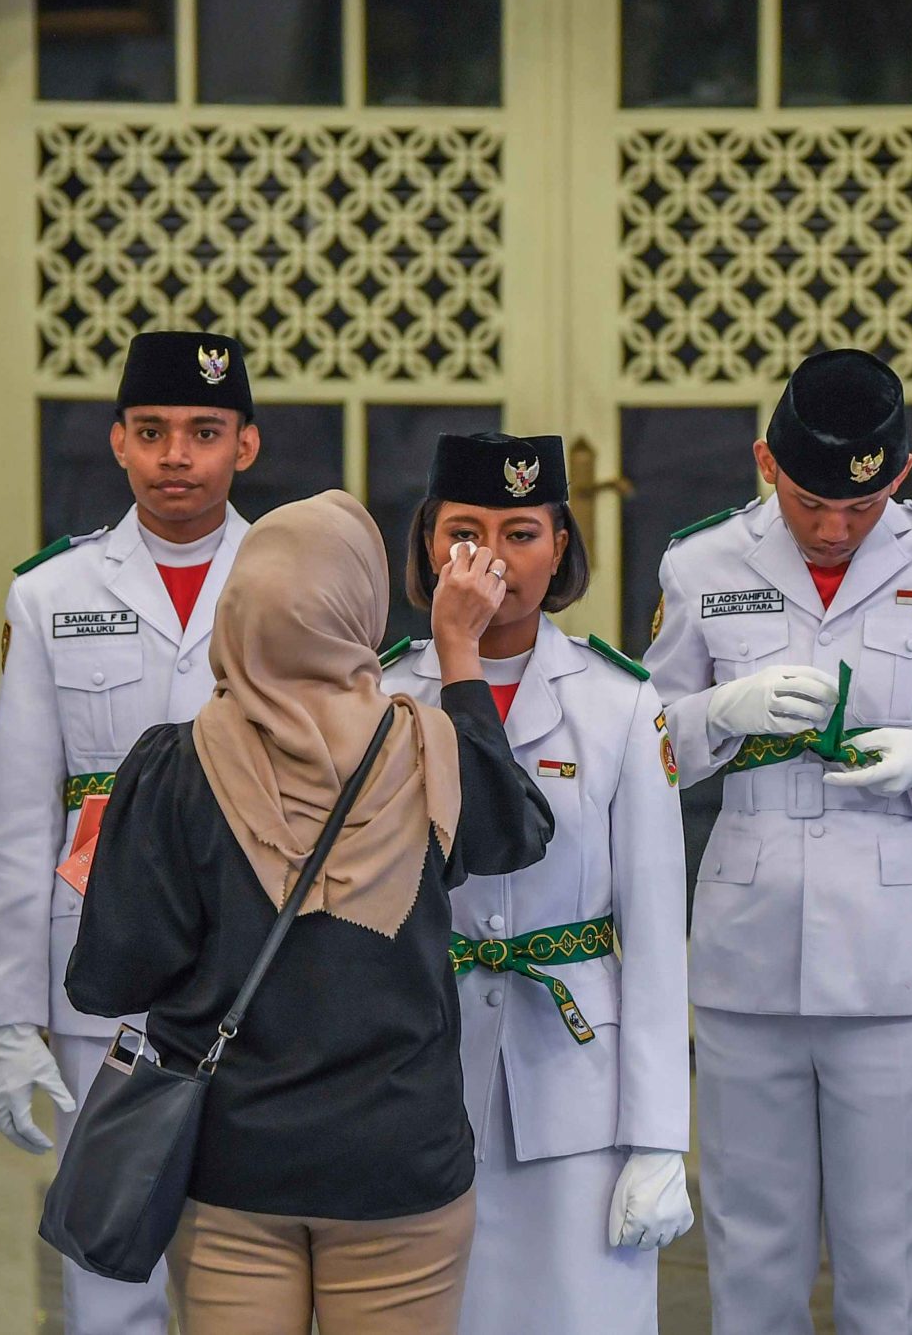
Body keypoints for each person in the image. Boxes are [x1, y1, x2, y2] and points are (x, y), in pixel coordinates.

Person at [65, 490, 554, 1335]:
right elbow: (517, 830)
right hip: (401, 1164)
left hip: (232, 1167)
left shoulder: (174, 769)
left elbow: (111, 979)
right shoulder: (430, 748)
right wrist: (460, 656)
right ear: (359, 610)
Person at [643, 347, 912, 1335]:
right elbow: (645, 747)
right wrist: (718, 714)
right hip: (751, 942)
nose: (832, 529)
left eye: (861, 507)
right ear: (765, 463)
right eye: (809, 503)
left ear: (898, 476)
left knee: (891, 1249)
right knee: (752, 1244)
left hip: (895, 950)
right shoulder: (701, 562)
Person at [378, 433, 693, 1334]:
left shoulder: (620, 702)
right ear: (427, 544)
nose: (492, 559)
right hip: (418, 1063)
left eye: (521, 533)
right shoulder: (384, 693)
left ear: (560, 547)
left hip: (576, 1078)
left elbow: (655, 934)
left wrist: (660, 1136)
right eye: (463, 532)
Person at [0, 328, 258, 1332]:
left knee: (244, 1267)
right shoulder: (50, 594)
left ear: (246, 445)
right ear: (117, 442)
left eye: (204, 432)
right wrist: (8, 1015)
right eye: (152, 431)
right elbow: (21, 817)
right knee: (107, 1268)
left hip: (256, 960)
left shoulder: (292, 575)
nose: (176, 455)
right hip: (102, 957)